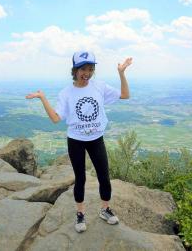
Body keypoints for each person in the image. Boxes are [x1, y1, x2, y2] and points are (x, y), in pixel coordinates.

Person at [26, 51, 132, 233]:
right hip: (76, 140)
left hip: (96, 138)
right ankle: (80, 213)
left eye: (91, 69)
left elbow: (124, 95)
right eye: (83, 69)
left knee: (104, 176)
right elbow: (55, 118)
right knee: (80, 178)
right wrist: (43, 98)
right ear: (74, 70)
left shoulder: (99, 86)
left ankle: (105, 209)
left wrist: (121, 73)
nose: (87, 73)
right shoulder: (66, 93)